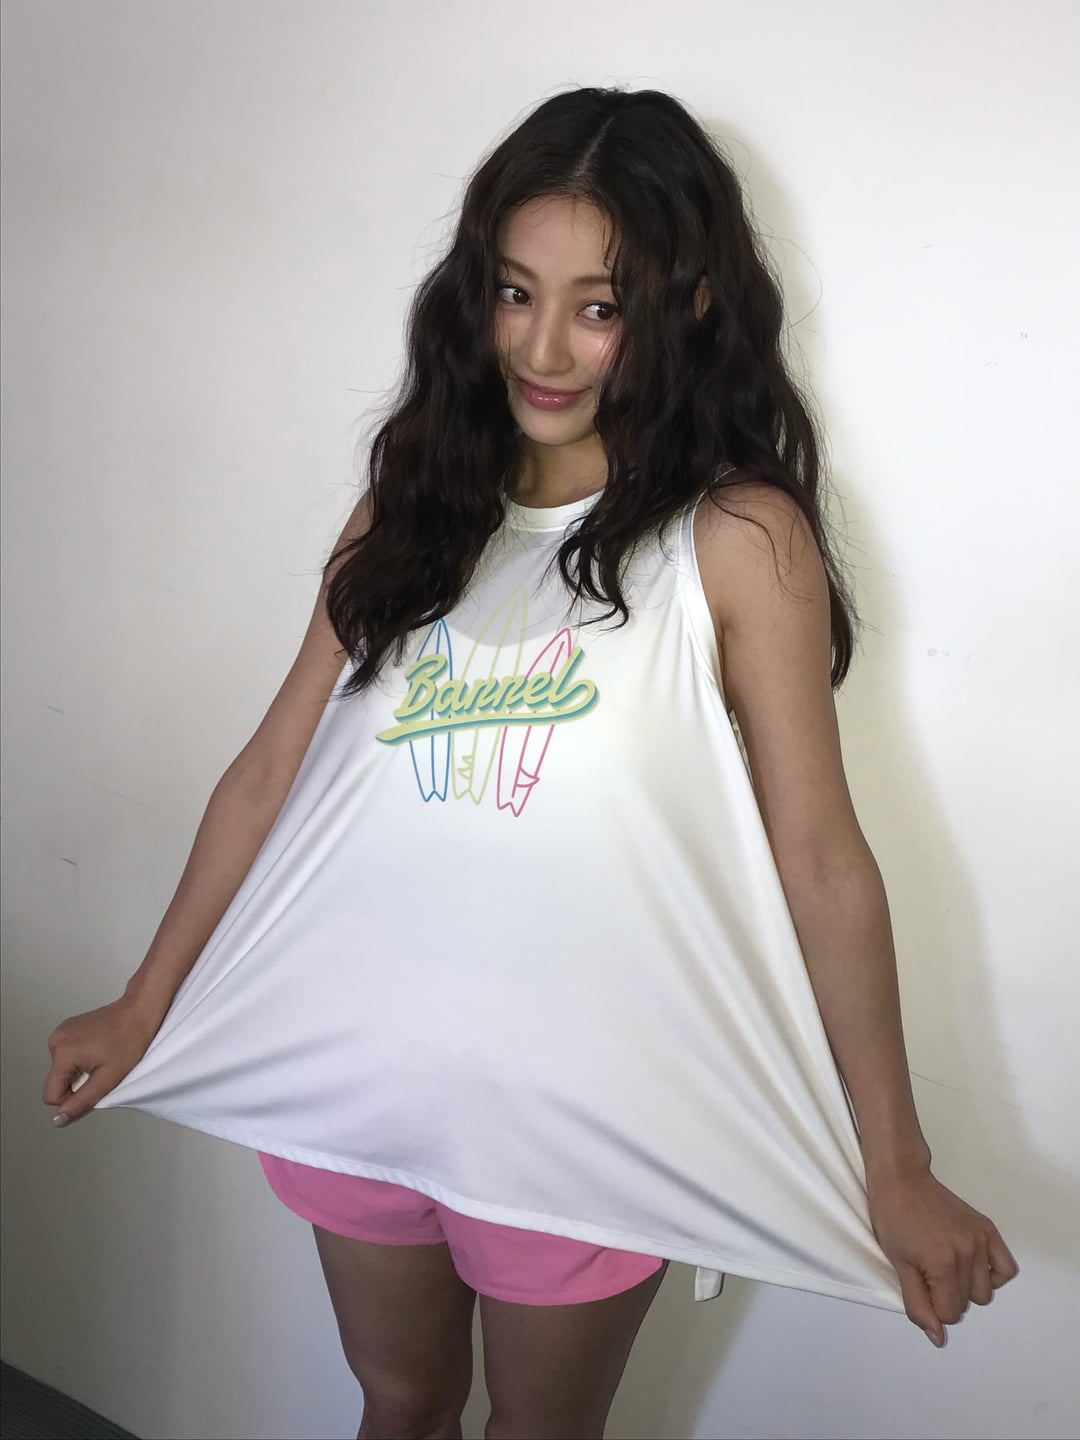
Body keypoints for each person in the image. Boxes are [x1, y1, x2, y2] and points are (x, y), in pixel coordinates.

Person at [42, 86, 1018, 1440]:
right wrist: (145, 1004)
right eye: (514, 292)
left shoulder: (737, 540)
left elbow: (821, 858)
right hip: (361, 1076)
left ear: (687, 307)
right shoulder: (410, 509)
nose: (543, 348)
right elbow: (269, 769)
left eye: (598, 306)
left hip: (584, 1118)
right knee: (399, 1401)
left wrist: (896, 1164)